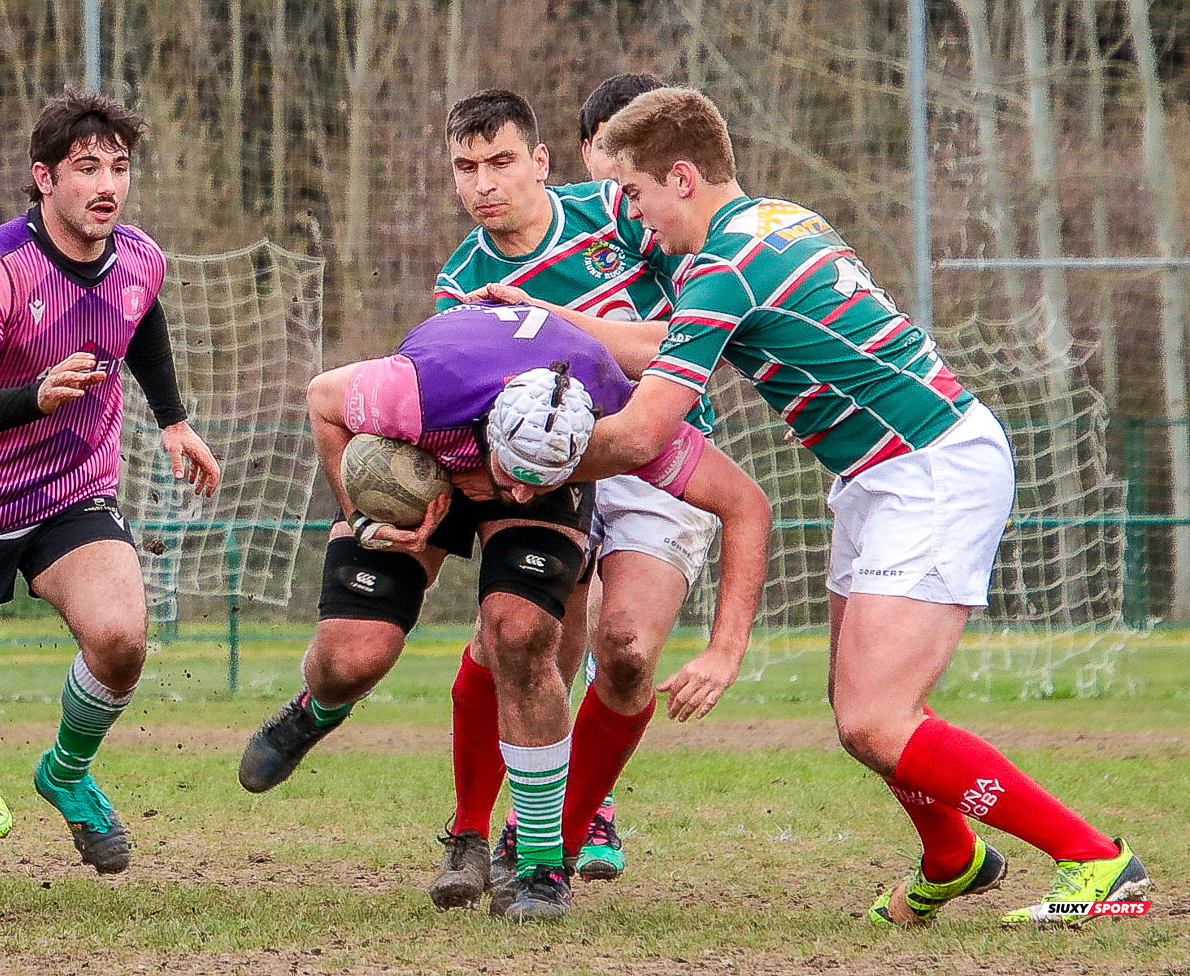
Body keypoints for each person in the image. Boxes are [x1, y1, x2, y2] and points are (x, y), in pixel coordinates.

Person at [578, 85, 1149, 928]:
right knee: (860, 717)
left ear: (683, 177)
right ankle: (953, 859)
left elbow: (637, 435)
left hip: (930, 467)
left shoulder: (725, 266)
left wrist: (513, 464)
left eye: (634, 193)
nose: (633, 215)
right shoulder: (772, 223)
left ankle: (1100, 864)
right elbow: (670, 341)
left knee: (879, 718)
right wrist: (551, 320)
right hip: (884, 473)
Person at [238, 301, 770, 921]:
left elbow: (745, 505)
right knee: (353, 658)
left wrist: (726, 648)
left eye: (535, 483)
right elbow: (323, 397)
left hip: (537, 456)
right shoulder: (416, 394)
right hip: (430, 451)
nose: (518, 495)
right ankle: (317, 707)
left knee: (521, 633)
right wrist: (357, 513)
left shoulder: (625, 425)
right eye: (515, 477)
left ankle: (539, 865)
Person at [425, 84, 763, 908]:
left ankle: (560, 834)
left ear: (541, 161)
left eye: (500, 162)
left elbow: (688, 341)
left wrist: (555, 324)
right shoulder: (458, 283)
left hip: (658, 449)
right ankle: (477, 835)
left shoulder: (620, 214)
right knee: (518, 637)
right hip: (552, 474)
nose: (483, 186)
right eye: (466, 169)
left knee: (625, 653)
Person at [0, 88, 220, 906]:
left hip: (72, 497)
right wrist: (35, 397)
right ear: (43, 179)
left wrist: (174, 421)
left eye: (118, 167)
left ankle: (66, 771)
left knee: (120, 639)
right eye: (86, 168)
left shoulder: (141, 256)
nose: (106, 184)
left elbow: (139, 318)